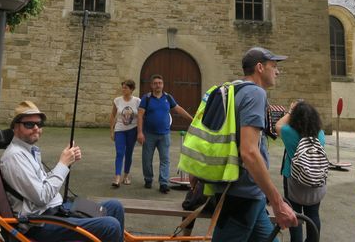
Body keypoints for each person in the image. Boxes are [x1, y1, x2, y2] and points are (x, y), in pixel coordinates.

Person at [0, 100, 125, 242]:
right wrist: (63, 164)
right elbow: (42, 197)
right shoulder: (15, 157)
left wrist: (67, 161)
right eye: (29, 124)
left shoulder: (28, 151)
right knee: (111, 226)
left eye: (39, 124)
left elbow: (42, 183)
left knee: (115, 207)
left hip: (56, 211)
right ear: (15, 127)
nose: (36, 128)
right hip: (40, 224)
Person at [209, 47, 297, 242]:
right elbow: (249, 152)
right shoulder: (255, 93)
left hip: (249, 193)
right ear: (259, 67)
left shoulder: (232, 90)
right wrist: (277, 202)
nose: (278, 71)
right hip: (243, 195)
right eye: (273, 66)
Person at [276, 100, 326, 242]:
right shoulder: (320, 134)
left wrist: (291, 111)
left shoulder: (288, 132)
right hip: (316, 180)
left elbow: (278, 125)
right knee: (313, 215)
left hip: (293, 180)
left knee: (294, 214)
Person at [137, 74, 193, 193]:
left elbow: (179, 109)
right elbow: (140, 116)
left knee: (165, 159)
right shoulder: (146, 98)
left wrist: (191, 119)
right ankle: (148, 179)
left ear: (163, 85)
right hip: (149, 135)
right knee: (147, 160)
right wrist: (140, 133)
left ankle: (163, 183)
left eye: (160, 83)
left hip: (165, 135)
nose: (158, 85)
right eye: (155, 83)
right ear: (151, 85)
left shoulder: (168, 98)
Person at [109, 79, 140, 187]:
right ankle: (117, 176)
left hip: (132, 130)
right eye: (122, 87)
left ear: (131, 89)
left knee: (129, 153)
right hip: (120, 130)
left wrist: (140, 132)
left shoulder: (137, 101)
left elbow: (141, 116)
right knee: (120, 153)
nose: (123, 89)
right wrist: (111, 130)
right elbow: (113, 115)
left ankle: (126, 175)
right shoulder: (117, 100)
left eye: (126, 87)